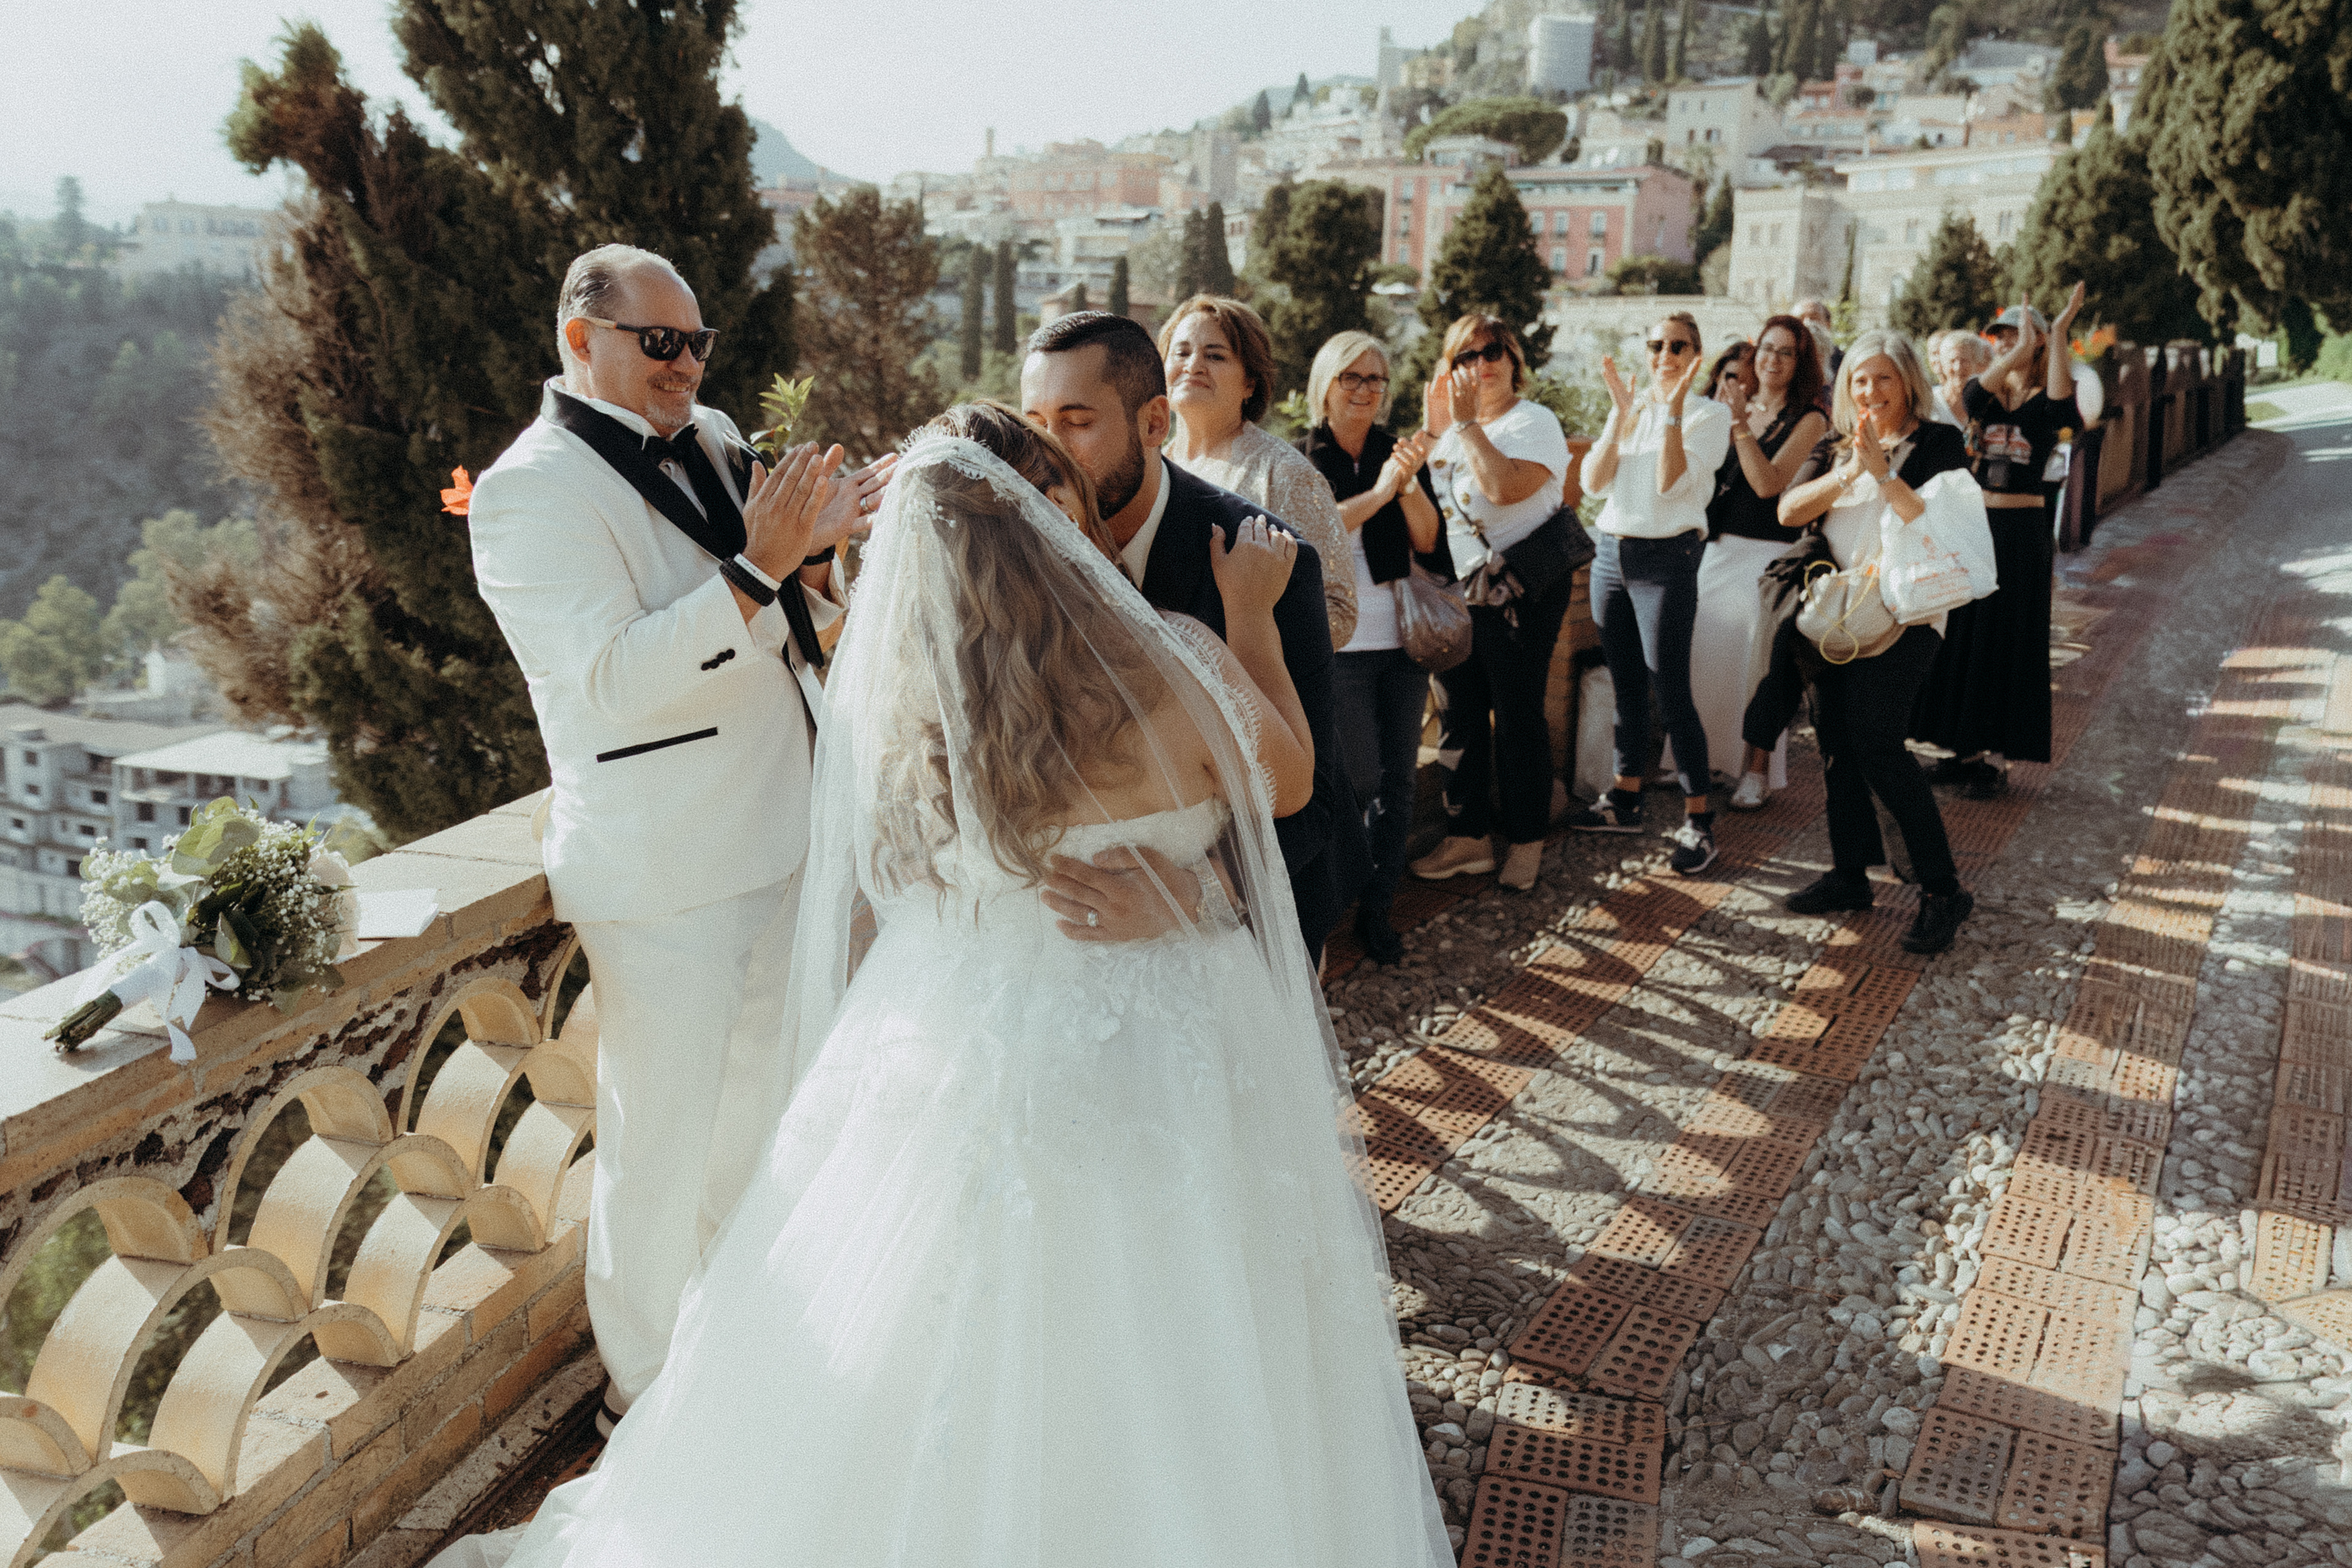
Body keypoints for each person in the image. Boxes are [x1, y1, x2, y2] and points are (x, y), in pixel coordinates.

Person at [432, 404, 1455, 1568]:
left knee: (923, 1323)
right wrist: (1255, 623)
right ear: (1052, 521)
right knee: (1196, 1314)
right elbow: (1290, 784)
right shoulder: (1174, 654)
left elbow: (895, 886)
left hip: (964, 1034)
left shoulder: (913, 705)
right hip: (1166, 1033)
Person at [468, 244, 892, 1439]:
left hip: (782, 831)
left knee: (760, 1127)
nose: (686, 366)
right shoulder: (526, 492)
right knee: (657, 1146)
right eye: (660, 343)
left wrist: (828, 555)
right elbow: (609, 681)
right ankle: (644, 1396)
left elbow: (781, 619)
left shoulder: (713, 436)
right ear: (579, 339)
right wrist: (762, 563)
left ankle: (739, 1358)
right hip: (663, 869)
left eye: (697, 343)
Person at [1019, 311, 1352, 956]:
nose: (1048, 454)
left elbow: (1313, 803)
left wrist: (1193, 892)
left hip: (1244, 938)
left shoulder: (1268, 559)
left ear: (1155, 423)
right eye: (1036, 425)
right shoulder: (1016, 548)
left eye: (1077, 422)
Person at [1773, 328, 1980, 956]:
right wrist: (1849, 473)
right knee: (1836, 744)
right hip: (1836, 614)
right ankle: (1849, 875)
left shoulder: (1939, 442)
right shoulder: (1837, 445)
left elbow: (1933, 521)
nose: (1870, 391)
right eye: (1859, 380)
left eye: (1883, 378)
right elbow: (1788, 510)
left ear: (1908, 382)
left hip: (1906, 615)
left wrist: (1884, 473)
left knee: (1878, 744)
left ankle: (1942, 889)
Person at [1405, 314, 1576, 892]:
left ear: (1513, 359)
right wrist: (1434, 432)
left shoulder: (1534, 422)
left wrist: (1466, 425)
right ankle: (1469, 837)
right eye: (1466, 356)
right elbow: (1424, 507)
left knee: (1518, 715)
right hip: (1461, 594)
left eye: (1493, 351)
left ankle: (1527, 839)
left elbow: (1503, 489)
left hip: (1520, 593)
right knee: (1459, 715)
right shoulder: (1449, 432)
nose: (1481, 365)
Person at [1298, 330, 1447, 963]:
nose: (1364, 390)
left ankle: (1378, 909)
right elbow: (1314, 530)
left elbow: (1429, 539)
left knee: (1400, 784)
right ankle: (1337, 893)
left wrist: (1407, 486)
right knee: (1357, 780)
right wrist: (1383, 491)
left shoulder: (1397, 452)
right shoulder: (1302, 458)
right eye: (1351, 377)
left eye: (1375, 379)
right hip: (1341, 646)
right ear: (1326, 385)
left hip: (1402, 641)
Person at [1569, 311, 1733, 876]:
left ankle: (1699, 822)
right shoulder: (1632, 409)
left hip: (1666, 560)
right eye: (1656, 345)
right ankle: (1625, 798)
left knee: (1672, 692)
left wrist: (1673, 411)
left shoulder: (1710, 414)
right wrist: (1621, 415)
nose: (1665, 355)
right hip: (1612, 555)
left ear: (1696, 355)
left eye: (1678, 346)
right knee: (1626, 687)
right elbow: (1592, 482)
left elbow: (1669, 483)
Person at [1912, 285, 2085, 799]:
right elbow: (1968, 399)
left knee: (2008, 641)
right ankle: (1958, 749)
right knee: (1963, 638)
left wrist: (2057, 332)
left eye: (2017, 335)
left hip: (2021, 534)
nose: (2009, 343)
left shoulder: (2047, 400)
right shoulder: (1985, 395)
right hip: (1975, 527)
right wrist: (2015, 350)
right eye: (2003, 336)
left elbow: (2062, 406)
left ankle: (1994, 759)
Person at [1160, 294, 1356, 647]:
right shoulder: (1150, 469)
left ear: (1249, 383)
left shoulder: (1285, 475)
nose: (1194, 365)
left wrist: (1247, 625)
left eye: (1215, 356)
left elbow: (1339, 612)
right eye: (1182, 352)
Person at [1698, 317, 1828, 812]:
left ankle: (1756, 771)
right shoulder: (1735, 405)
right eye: (1767, 350)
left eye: (1786, 352)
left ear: (1800, 362)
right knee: (1705, 656)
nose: (1773, 360)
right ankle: (1704, 759)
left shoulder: (1810, 420)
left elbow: (1769, 484)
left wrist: (1738, 427)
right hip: (1719, 547)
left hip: (1769, 553)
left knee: (1760, 665)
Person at [1930, 330, 1992, 428]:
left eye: (1965, 361)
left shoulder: (1987, 403)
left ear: (1976, 364)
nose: (1958, 367)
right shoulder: (1930, 402)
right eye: (1952, 361)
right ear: (1943, 364)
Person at [1795, 297, 1842, 383]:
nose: (1807, 323)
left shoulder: (1843, 362)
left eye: (1813, 318)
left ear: (1828, 325)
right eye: (1800, 319)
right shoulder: (1784, 361)